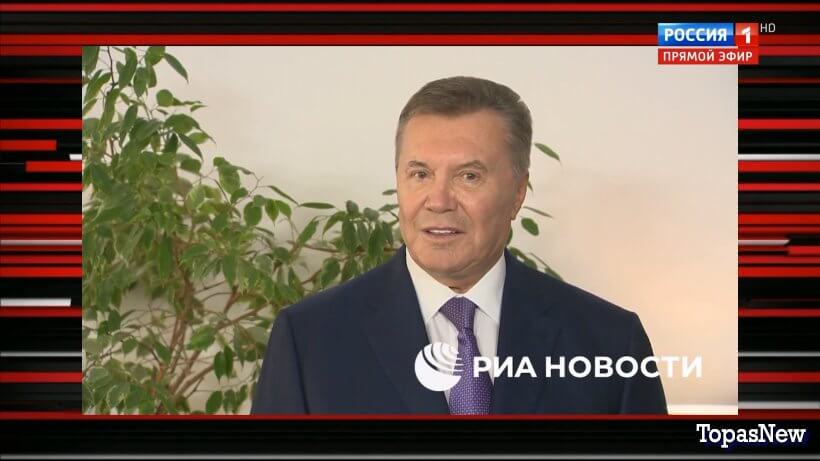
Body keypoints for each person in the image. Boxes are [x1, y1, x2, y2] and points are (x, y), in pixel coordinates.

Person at [251, 76, 667, 414]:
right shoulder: (309, 339)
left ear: (517, 192)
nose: (438, 201)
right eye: (420, 174)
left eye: (469, 176)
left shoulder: (611, 342)